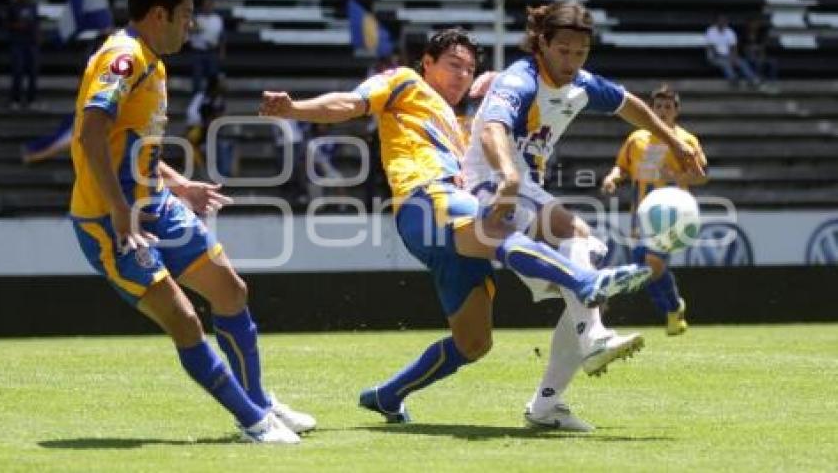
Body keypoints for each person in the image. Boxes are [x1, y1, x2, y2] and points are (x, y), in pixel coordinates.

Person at [260, 28, 655, 424]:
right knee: (501, 230)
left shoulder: (463, 119)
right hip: (426, 199)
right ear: (427, 63)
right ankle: (585, 285)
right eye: (453, 65)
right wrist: (295, 109)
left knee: (474, 342)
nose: (462, 75)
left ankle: (387, 396)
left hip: (456, 222)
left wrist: (497, 81)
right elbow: (349, 102)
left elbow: (508, 125)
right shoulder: (404, 83)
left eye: (469, 69)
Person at [68, 0, 313, 444]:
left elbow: (131, 148)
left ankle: (259, 402)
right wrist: (119, 210)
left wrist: (181, 185)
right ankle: (253, 421)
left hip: (156, 206)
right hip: (112, 220)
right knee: (183, 320)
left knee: (230, 291)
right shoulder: (124, 58)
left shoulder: (151, 63)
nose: (192, 24)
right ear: (159, 14)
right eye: (186, 15)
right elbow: (91, 132)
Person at [463, 1, 705, 430]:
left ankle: (546, 405)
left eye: (581, 53)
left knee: (588, 286)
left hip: (525, 188)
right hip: (492, 186)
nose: (572, 62)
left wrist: (675, 142)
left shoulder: (582, 84)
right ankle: (593, 338)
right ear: (542, 43)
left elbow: (632, 106)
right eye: (564, 51)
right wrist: (507, 178)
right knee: (579, 238)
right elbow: (490, 129)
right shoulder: (520, 78)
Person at [601, 85, 708, 335]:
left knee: (652, 262)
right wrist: (612, 177)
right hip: (640, 214)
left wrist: (676, 175)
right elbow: (623, 168)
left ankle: (673, 308)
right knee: (644, 269)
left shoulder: (686, 141)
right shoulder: (636, 139)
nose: (662, 112)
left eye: (668, 107)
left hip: (670, 216)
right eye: (658, 107)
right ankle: (673, 308)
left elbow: (701, 176)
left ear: (676, 111)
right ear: (650, 109)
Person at [6, 0, 40, 111]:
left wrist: (37, 36)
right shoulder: (13, 7)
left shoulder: (32, 6)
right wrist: (17, 26)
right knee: (18, 71)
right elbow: (6, 24)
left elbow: (36, 22)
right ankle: (15, 99)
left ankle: (31, 99)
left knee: (33, 72)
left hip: (31, 43)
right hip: (18, 43)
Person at [705, 15, 761, 89]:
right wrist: (725, 57)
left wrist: (733, 57)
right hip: (714, 57)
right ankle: (734, 80)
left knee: (741, 62)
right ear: (716, 22)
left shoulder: (730, 32)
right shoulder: (710, 31)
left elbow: (733, 47)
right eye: (720, 21)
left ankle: (753, 79)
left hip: (728, 55)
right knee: (726, 64)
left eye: (724, 21)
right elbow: (712, 48)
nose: (722, 23)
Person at [188, 0, 225, 96]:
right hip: (198, 52)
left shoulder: (217, 19)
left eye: (211, 4)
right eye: (206, 4)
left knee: (212, 78)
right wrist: (195, 29)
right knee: (197, 78)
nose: (208, 6)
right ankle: (196, 102)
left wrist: (222, 52)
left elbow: (222, 37)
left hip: (212, 52)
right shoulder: (196, 19)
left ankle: (210, 100)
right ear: (202, 5)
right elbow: (189, 31)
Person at [742, 16, 779, 86]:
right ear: (748, 24)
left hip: (760, 55)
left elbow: (763, 47)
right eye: (752, 23)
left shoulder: (761, 34)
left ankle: (772, 82)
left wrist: (759, 51)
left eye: (756, 24)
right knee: (757, 61)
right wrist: (752, 49)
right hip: (747, 56)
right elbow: (744, 49)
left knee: (773, 62)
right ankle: (757, 80)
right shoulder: (743, 34)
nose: (754, 25)